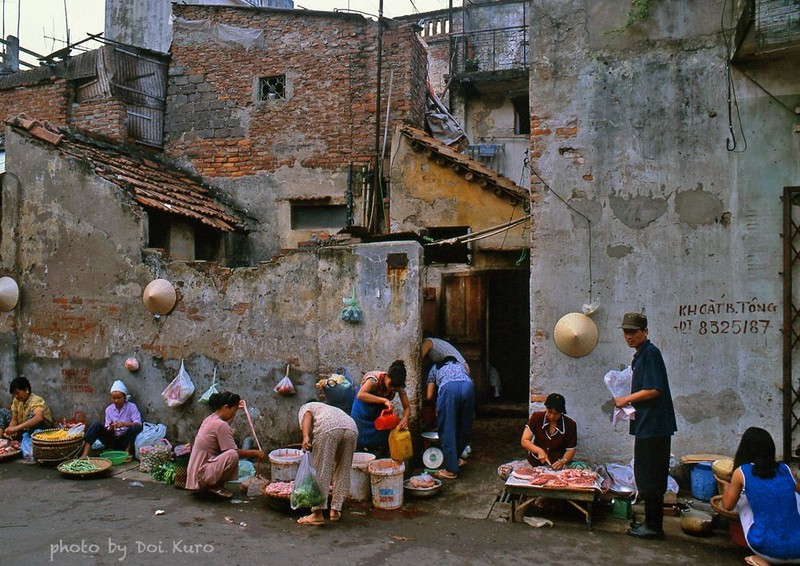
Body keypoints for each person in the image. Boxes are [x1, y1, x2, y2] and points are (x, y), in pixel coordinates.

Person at [614, 312, 677, 541]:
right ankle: (651, 522)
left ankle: (654, 527)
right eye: (625, 332)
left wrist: (626, 399)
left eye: (633, 331)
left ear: (645, 332)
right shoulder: (641, 355)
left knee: (651, 476)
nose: (628, 336)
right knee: (646, 474)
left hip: (654, 426)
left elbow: (654, 389)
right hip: (648, 425)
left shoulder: (650, 353)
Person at [720, 427, 800, 566]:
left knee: (743, 500)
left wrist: (726, 487)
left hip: (767, 550)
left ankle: (761, 560)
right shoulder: (785, 469)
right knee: (794, 496)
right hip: (798, 552)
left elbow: (728, 505)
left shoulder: (742, 472)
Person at [186, 391, 265, 499]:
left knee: (230, 452)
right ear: (226, 407)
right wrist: (256, 453)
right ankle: (212, 486)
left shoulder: (211, 419)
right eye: (234, 410)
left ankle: (210, 485)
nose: (234, 413)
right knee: (233, 454)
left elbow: (225, 426)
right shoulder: (220, 425)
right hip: (202, 475)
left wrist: (235, 410)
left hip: (195, 474)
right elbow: (236, 451)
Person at [296, 401, 358, 526]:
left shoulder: (306, 407)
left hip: (328, 428)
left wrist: (306, 436)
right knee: (343, 468)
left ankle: (317, 514)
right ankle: (335, 510)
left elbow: (307, 415)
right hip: (352, 427)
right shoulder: (327, 408)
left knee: (322, 469)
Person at [426, 356, 475, 480]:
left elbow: (429, 395)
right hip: (468, 387)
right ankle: (456, 459)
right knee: (464, 426)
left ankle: (450, 470)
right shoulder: (461, 366)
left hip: (449, 389)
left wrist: (437, 407)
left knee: (448, 428)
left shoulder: (435, 368)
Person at [350, 360, 411, 455]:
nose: (392, 389)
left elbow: (407, 407)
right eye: (391, 385)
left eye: (395, 388)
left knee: (380, 434)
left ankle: (377, 456)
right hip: (362, 409)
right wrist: (384, 400)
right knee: (359, 435)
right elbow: (360, 395)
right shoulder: (373, 379)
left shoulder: (397, 386)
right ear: (387, 377)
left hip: (377, 412)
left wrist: (405, 418)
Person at [80, 380, 143, 457]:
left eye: (119, 398)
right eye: (114, 398)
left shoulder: (131, 407)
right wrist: (111, 427)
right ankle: (84, 454)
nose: (116, 400)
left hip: (125, 440)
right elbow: (108, 428)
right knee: (96, 425)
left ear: (124, 397)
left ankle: (128, 451)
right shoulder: (109, 409)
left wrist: (124, 424)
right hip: (112, 440)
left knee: (135, 427)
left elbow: (138, 424)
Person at [520, 393, 577, 470]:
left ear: (561, 412)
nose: (552, 416)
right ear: (546, 408)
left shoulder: (570, 424)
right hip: (534, 463)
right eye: (549, 412)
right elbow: (524, 440)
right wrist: (539, 451)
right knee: (503, 470)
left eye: (556, 414)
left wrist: (563, 461)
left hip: (556, 466)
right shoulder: (536, 417)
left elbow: (571, 449)